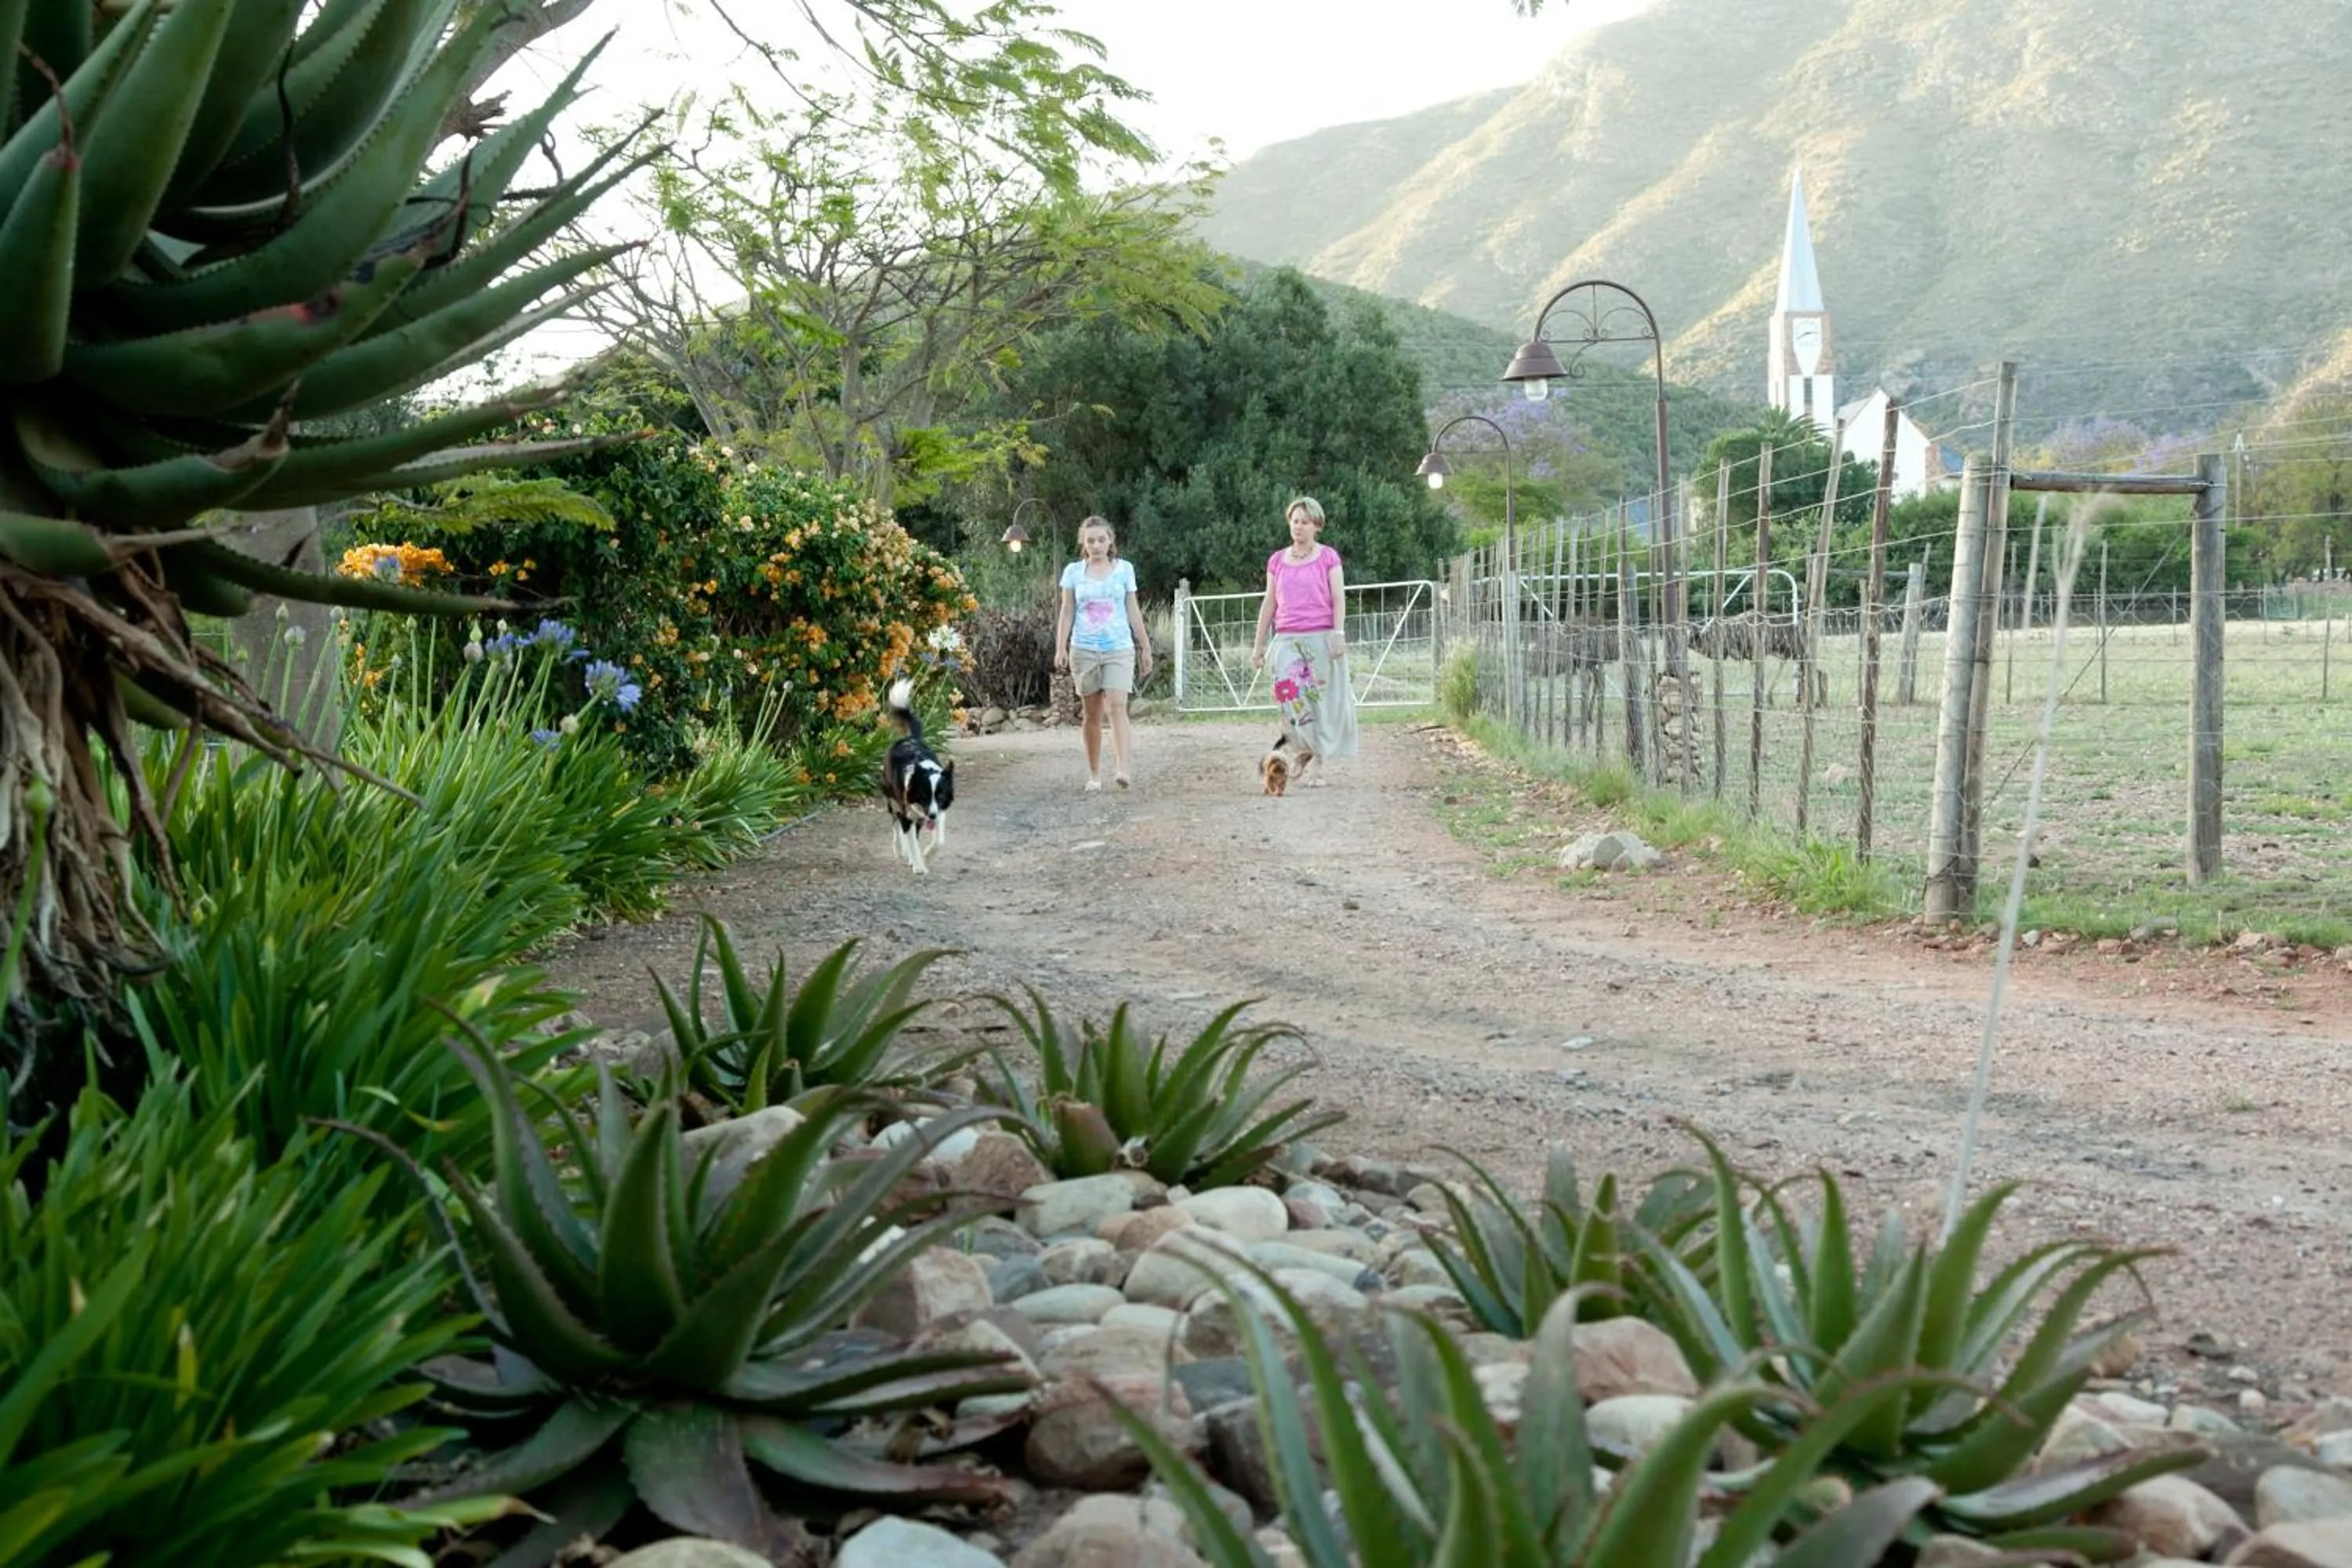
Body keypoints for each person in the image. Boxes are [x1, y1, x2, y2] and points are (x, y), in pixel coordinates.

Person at [1251, 495, 1359, 785]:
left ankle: (1317, 766)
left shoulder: (1328, 557)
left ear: (1317, 526)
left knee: (1318, 701)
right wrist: (1258, 645)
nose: (1298, 527)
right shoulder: (1277, 561)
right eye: (1295, 521)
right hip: (1286, 638)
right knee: (1289, 701)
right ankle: (1301, 749)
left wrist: (1338, 634)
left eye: (1305, 522)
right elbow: (1269, 602)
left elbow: (1338, 597)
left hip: (1320, 636)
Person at [1054, 515, 1153, 790]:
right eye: (1091, 541)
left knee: (1118, 704)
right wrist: (1060, 647)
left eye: (1101, 539)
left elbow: (1133, 609)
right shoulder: (1073, 572)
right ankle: (1094, 774)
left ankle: (1123, 769)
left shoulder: (1124, 570)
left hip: (1118, 648)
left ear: (1110, 541)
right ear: (1083, 544)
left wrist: (1145, 645)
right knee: (1092, 714)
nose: (1097, 545)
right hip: (1084, 648)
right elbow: (1067, 611)